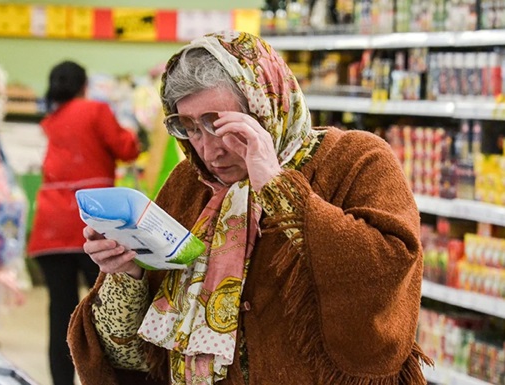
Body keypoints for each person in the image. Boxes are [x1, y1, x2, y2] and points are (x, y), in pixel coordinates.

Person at [67, 31, 432, 385]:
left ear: (265, 106)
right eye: (190, 128)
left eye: (220, 124)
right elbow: (132, 357)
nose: (209, 151)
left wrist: (276, 184)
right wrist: (128, 273)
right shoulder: (188, 183)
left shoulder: (356, 158)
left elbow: (389, 266)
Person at [27, 60, 140, 385]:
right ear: (84, 85)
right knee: (106, 311)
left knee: (60, 313)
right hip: (93, 224)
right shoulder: (96, 111)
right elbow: (126, 149)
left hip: (49, 227)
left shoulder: (51, 120)